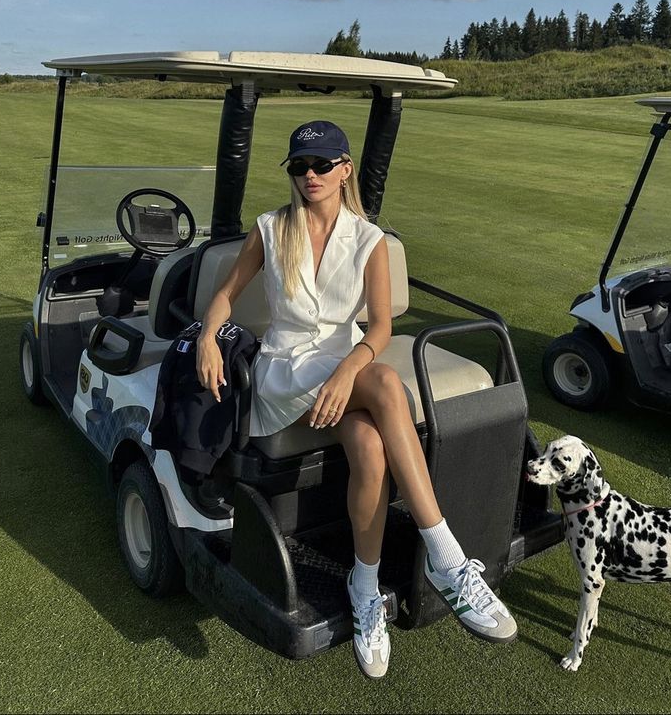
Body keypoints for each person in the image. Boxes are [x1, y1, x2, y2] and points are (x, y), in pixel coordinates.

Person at [195, 119, 516, 679]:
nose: (310, 175)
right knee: (389, 385)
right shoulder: (272, 229)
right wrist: (206, 336)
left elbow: (382, 329)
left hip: (342, 372)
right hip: (282, 374)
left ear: (345, 170)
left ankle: (363, 589)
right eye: (300, 166)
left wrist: (347, 372)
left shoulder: (370, 241)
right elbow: (225, 295)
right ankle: (446, 557)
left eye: (322, 164)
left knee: (369, 448)